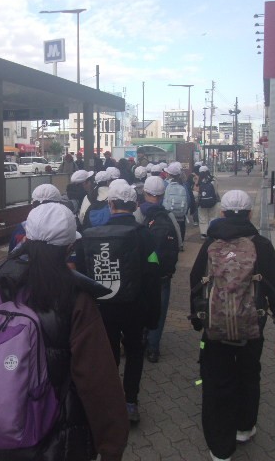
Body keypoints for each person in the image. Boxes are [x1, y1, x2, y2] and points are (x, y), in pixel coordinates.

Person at [0, 203, 129, 461]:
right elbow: (97, 379)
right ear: (69, 248)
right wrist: (112, 445)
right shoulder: (76, 298)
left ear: (26, 239)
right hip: (56, 438)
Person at [189, 190, 275, 461]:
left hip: (214, 328)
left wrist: (198, 320)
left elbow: (195, 282)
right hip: (252, 325)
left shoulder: (209, 243)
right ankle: (244, 428)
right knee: (248, 374)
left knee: (217, 381)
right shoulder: (261, 245)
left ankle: (220, 450)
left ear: (222, 213)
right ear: (250, 213)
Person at [79, 179, 161, 423]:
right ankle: (130, 402)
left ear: (111, 204)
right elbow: (153, 274)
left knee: (109, 354)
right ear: (135, 205)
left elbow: (83, 275)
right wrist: (153, 315)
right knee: (135, 352)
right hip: (135, 307)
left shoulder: (91, 235)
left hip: (104, 307)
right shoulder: (144, 235)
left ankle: (109, 402)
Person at [134, 176, 181, 363]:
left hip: (140, 273)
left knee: (139, 307)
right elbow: (179, 241)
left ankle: (139, 339)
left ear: (144, 192)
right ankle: (153, 348)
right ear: (162, 195)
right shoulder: (168, 216)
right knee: (159, 310)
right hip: (162, 273)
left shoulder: (137, 214)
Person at [8, 184, 63, 253]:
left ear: (34, 205)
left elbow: (13, 253)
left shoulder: (23, 228)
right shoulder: (67, 225)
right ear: (59, 203)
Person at [162, 161, 192, 242]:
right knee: (181, 231)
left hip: (168, 215)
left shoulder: (165, 184)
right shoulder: (183, 185)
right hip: (181, 215)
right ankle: (180, 244)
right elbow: (188, 200)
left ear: (169, 174)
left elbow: (162, 199)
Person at [196, 166, 220, 239]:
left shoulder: (199, 180)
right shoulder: (213, 179)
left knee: (202, 217)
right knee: (213, 217)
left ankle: (204, 233)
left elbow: (197, 192)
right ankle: (212, 232)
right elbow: (216, 191)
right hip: (213, 201)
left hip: (202, 203)